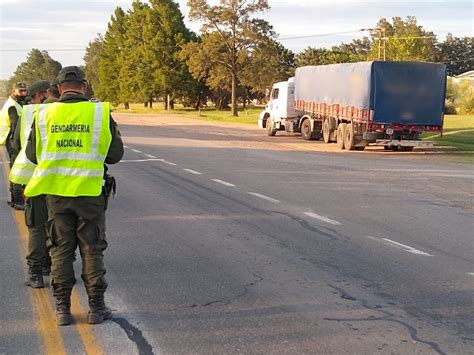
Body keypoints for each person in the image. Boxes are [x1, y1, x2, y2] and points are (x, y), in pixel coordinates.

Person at [24, 66, 124, 326]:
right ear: (84, 85)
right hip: (90, 195)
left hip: (57, 196)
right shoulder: (99, 112)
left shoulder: (45, 113)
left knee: (60, 252)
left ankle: (62, 310)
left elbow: (33, 156)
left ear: (58, 88)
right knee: (92, 251)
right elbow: (115, 155)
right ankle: (96, 309)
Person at [10, 80, 52, 288]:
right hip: (54, 179)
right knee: (55, 226)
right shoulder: (55, 112)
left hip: (33, 180)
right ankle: (48, 264)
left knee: (37, 226)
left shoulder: (25, 114)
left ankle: (35, 272)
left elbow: (15, 145)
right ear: (42, 94)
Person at [0, 82, 27, 209]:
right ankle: (18, 201)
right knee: (17, 169)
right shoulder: (13, 106)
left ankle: (14, 199)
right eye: (20, 91)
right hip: (13, 140)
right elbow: (15, 125)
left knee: (14, 167)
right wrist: (19, 143)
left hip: (11, 139)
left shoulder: (16, 104)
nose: (23, 93)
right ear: (14, 91)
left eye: (24, 91)